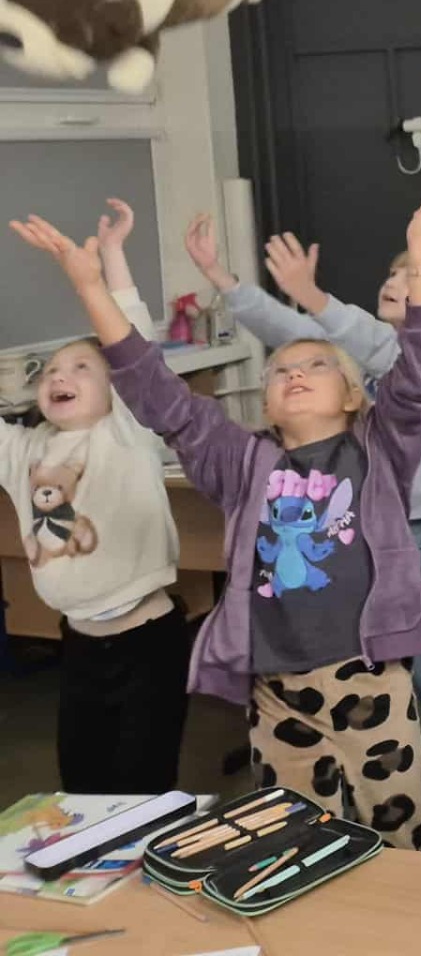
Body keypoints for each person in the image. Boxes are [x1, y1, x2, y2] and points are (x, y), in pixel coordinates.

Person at [19, 182, 421, 850]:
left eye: (317, 364)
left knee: (394, 827)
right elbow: (157, 394)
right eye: (281, 370)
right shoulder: (241, 460)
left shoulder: (380, 445)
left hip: (367, 673)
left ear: (354, 396)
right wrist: (90, 288)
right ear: (265, 404)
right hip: (275, 683)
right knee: (291, 837)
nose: (296, 373)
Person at [187, 216, 421, 825]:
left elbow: (390, 351)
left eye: (413, 276)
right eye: (391, 274)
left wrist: (314, 295)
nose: (397, 281)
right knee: (372, 669)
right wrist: (224, 280)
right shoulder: (344, 357)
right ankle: (358, 771)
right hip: (357, 540)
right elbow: (291, 332)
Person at [3, 199, 186, 795]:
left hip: (146, 643)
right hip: (78, 644)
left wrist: (110, 260)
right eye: (52, 370)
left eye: (82, 367)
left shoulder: (127, 432)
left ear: (116, 388)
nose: (60, 376)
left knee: (142, 787)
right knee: (81, 784)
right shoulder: (24, 450)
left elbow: (138, 351)